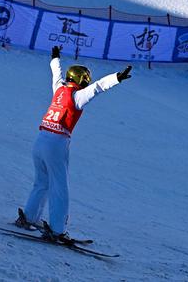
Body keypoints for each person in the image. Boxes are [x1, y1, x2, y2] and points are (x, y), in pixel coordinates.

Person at [15, 45, 132, 242]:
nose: (87, 82)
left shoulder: (59, 89)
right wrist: (116, 78)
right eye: (85, 79)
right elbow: (97, 88)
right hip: (56, 143)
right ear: (81, 80)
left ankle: (29, 217)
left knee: (42, 182)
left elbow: (56, 73)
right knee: (59, 187)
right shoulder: (77, 96)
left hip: (40, 139)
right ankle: (57, 230)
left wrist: (55, 57)